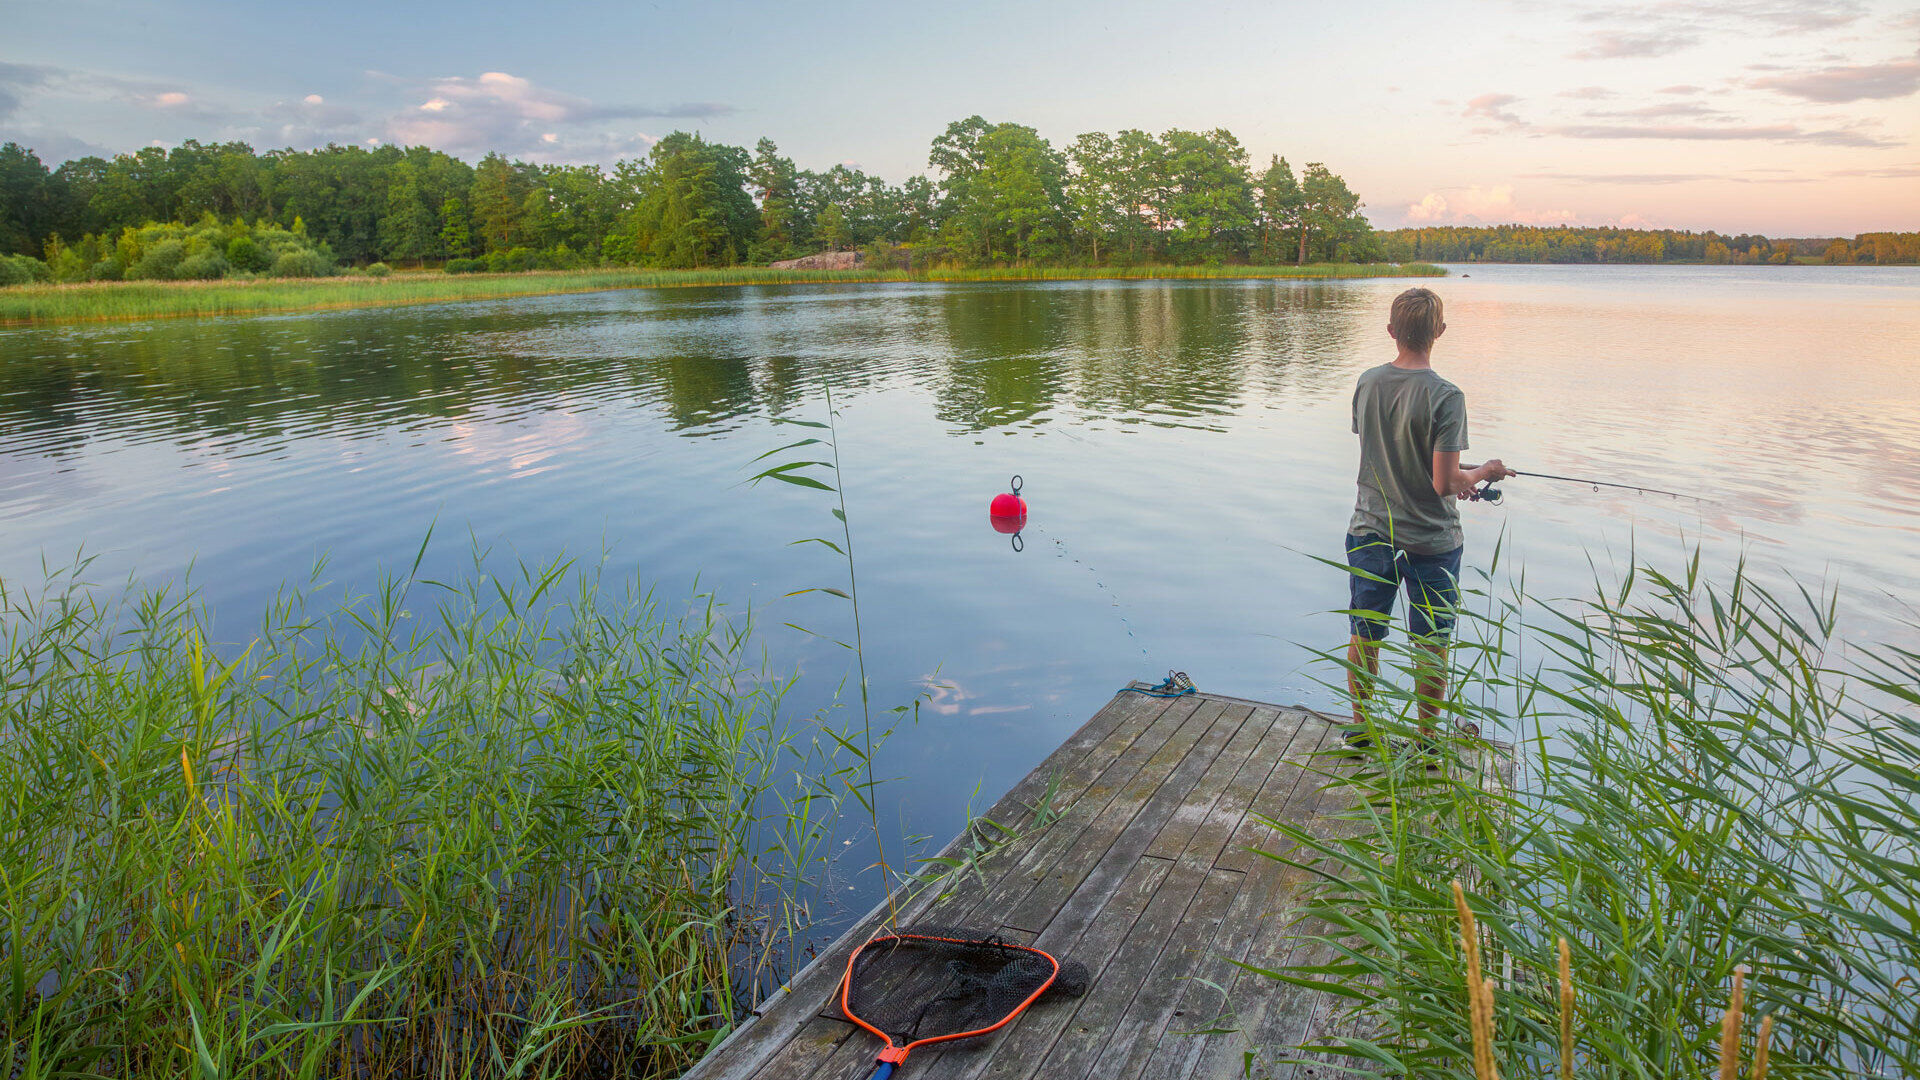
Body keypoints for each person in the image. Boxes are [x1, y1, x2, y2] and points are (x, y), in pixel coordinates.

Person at [1343, 287, 1512, 749]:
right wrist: (1484, 472)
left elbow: (1386, 448)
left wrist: (1458, 479)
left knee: (1365, 631)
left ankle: (1361, 727)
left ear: (1392, 331)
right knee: (1431, 643)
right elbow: (1441, 483)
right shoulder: (1447, 396)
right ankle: (1426, 740)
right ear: (1439, 332)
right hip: (1431, 541)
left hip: (1371, 530)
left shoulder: (1368, 382)